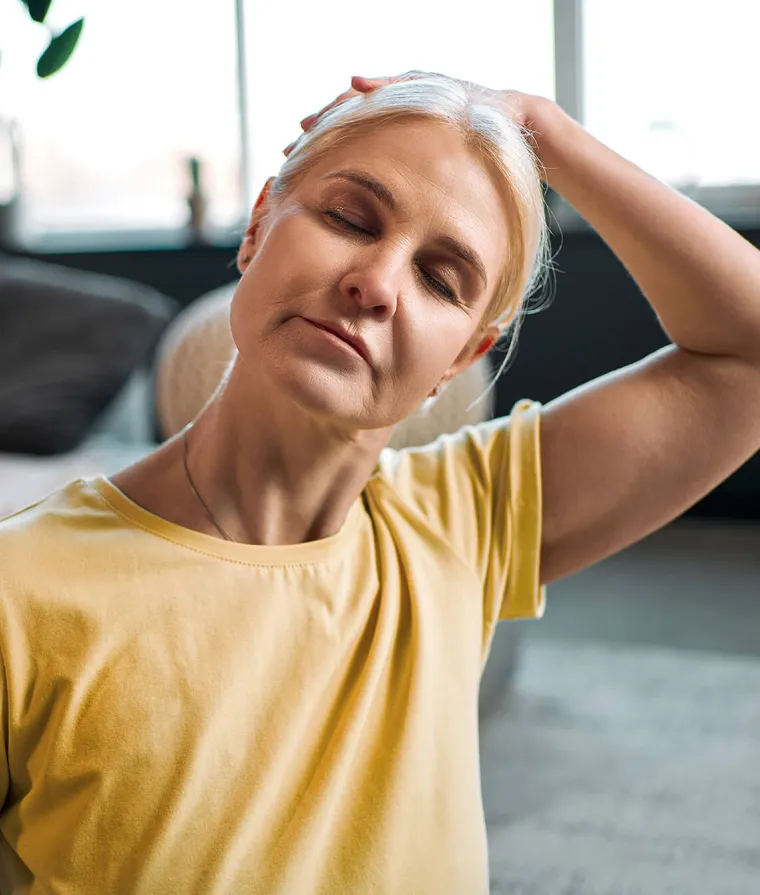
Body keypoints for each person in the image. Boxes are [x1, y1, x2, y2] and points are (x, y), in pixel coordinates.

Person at [1, 70, 760, 894]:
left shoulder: (467, 519)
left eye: (442, 279)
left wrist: (549, 131)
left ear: (461, 359)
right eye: (348, 218)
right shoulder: (22, 587)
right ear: (258, 228)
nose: (376, 283)